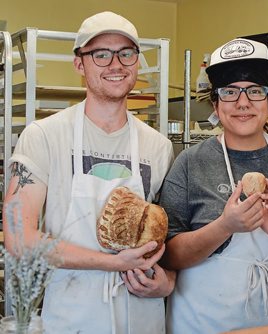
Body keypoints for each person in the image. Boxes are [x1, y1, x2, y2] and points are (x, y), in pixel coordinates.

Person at [2, 11, 176, 333]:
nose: (116, 64)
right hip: (72, 311)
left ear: (137, 62)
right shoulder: (44, 136)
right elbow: (18, 238)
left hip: (141, 312)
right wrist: (112, 263)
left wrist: (166, 283)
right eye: (100, 54)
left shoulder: (158, 146)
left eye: (126, 53)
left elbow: (169, 237)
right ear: (79, 64)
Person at [159, 38, 268, 333]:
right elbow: (169, 254)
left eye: (255, 91)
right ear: (215, 104)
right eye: (230, 92)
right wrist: (224, 226)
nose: (242, 103)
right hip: (203, 324)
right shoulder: (189, 163)